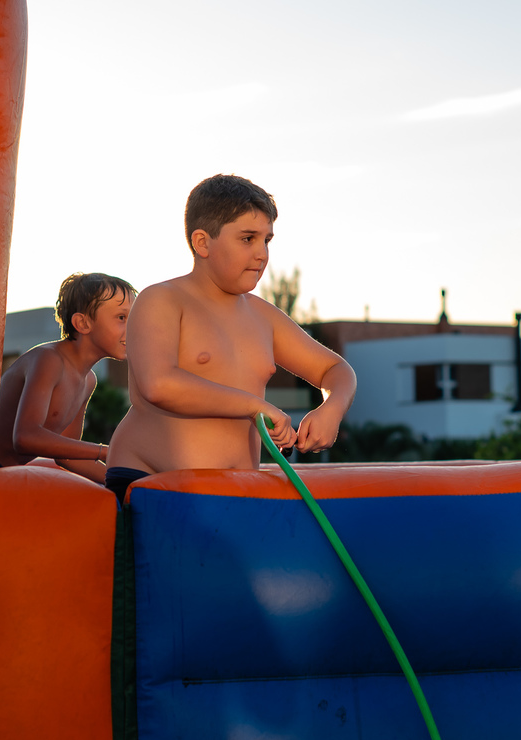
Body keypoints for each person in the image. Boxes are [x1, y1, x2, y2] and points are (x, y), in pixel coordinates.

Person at [105, 174, 356, 501]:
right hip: (151, 483)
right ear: (202, 243)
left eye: (267, 240)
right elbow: (159, 384)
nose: (262, 254)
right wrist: (254, 405)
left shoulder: (264, 317)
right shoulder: (161, 300)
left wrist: (331, 410)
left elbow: (335, 370)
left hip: (236, 494)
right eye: (248, 239)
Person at [0, 272, 136, 482]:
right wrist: (106, 451)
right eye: (122, 318)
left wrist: (131, 483)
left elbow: (67, 456)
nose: (133, 327)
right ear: (83, 323)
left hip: (3, 474)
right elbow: (25, 437)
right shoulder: (49, 360)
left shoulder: (88, 380)